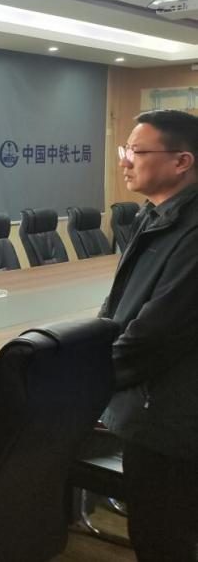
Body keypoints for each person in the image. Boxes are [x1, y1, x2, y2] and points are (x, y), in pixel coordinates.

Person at [99, 109, 198, 561]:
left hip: (171, 422)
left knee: (163, 538)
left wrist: (89, 381)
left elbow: (154, 335)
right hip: (155, 408)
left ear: (181, 161)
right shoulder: (155, 214)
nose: (124, 161)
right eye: (126, 149)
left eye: (137, 152)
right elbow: (119, 305)